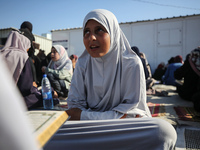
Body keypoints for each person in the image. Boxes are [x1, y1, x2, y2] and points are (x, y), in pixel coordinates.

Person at [44, 9, 177, 150]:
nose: (91, 38)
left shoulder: (131, 63)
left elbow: (131, 114)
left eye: (99, 30)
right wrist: (86, 117)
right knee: (45, 133)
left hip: (119, 129)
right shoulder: (83, 64)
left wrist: (84, 116)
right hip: (89, 128)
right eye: (86, 32)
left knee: (163, 132)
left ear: (113, 33)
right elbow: (74, 108)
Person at [0, 30, 44, 109]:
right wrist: (33, 87)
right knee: (38, 97)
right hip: (11, 100)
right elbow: (25, 88)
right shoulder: (22, 56)